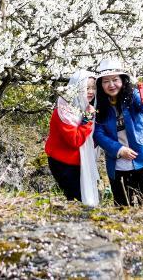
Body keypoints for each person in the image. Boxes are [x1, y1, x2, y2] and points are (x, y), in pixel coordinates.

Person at [93, 57, 143, 206]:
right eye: (106, 81)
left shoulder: (132, 95)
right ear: (100, 84)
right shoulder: (98, 105)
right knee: (122, 204)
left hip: (142, 155)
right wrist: (119, 149)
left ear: (123, 80)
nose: (111, 85)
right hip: (117, 161)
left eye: (115, 79)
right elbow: (98, 133)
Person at [44, 69, 101, 206]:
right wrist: (87, 119)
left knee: (83, 203)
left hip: (80, 163)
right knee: (78, 202)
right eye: (86, 88)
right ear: (77, 88)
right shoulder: (64, 112)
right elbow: (75, 140)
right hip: (64, 164)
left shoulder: (85, 107)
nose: (91, 92)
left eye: (93, 88)